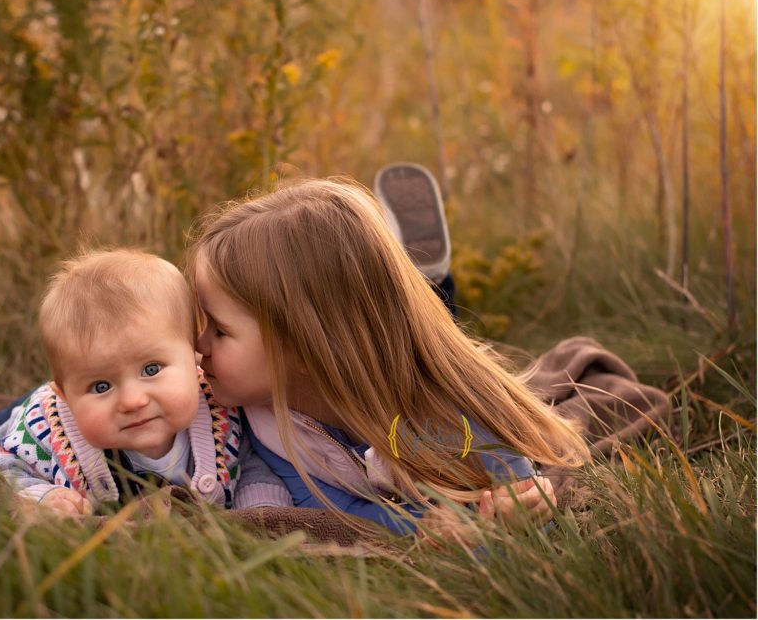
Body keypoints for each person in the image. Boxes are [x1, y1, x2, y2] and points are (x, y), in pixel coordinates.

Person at [186, 172, 592, 540]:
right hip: (357, 347)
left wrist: (515, 514)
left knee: (427, 326)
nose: (197, 344)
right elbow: (332, 512)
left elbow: (529, 506)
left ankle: (429, 278)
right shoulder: (264, 421)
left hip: (395, 371)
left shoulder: (452, 411)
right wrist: (422, 529)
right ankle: (417, 275)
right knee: (390, 323)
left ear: (306, 349)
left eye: (219, 331)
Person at [0, 250, 290, 516]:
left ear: (192, 355)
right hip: (35, 418)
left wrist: (261, 509)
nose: (132, 400)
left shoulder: (219, 414)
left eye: (152, 369)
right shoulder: (44, 437)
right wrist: (45, 496)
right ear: (66, 394)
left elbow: (249, 465)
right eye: (102, 386)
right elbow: (7, 468)